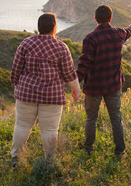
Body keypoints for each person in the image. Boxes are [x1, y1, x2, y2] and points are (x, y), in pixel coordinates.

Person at [10, 13, 81, 167]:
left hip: (26, 93)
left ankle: (15, 157)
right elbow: (69, 74)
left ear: (39, 27)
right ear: (54, 26)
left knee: (22, 126)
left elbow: (15, 69)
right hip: (52, 96)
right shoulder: (61, 47)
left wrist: (17, 84)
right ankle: (49, 161)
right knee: (49, 130)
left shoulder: (26, 43)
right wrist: (77, 90)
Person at [76, 5, 131, 156]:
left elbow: (84, 64)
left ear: (95, 18)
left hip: (93, 86)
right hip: (113, 84)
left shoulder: (90, 38)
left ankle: (89, 149)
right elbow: (128, 31)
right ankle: (120, 151)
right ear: (110, 18)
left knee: (91, 118)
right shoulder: (118, 34)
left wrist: (74, 82)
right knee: (116, 116)